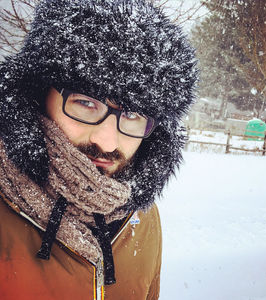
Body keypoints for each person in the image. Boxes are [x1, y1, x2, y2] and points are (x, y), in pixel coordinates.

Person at [0, 0, 198, 299]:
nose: (107, 142)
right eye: (86, 103)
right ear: (38, 95)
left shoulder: (142, 217)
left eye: (132, 115)